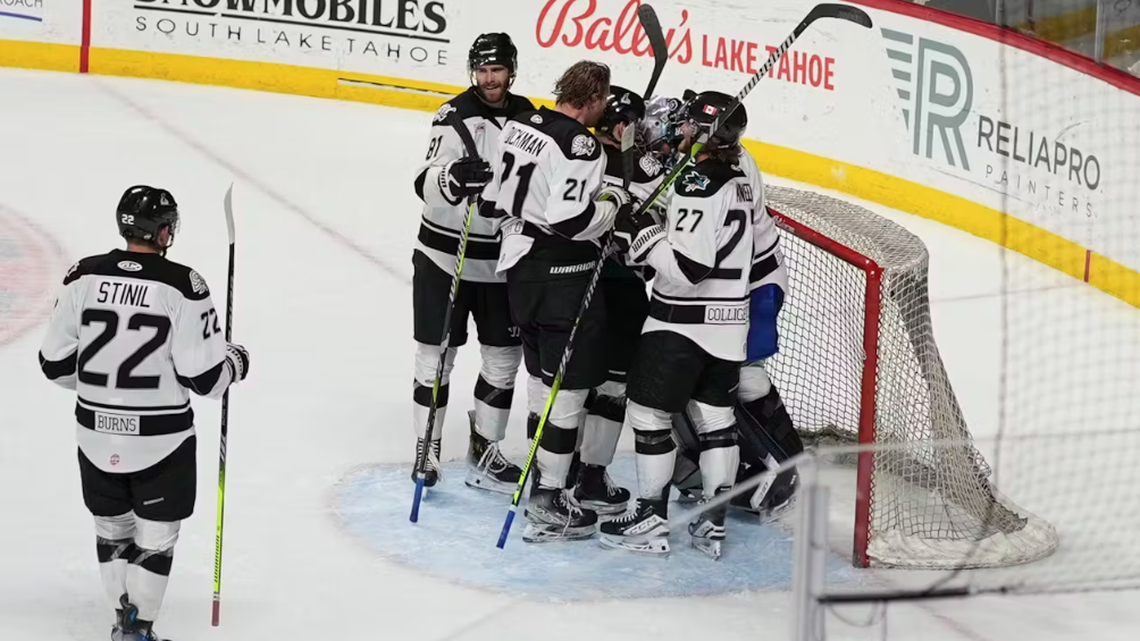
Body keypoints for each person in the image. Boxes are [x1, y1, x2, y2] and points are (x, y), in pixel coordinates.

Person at [37, 185, 250, 641]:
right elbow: (206, 379)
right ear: (165, 231)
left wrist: (105, 383)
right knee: (156, 537)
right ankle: (137, 630)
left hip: (93, 433)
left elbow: (53, 364)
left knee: (111, 527)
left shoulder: (83, 275)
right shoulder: (183, 284)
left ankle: (122, 622)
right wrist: (235, 361)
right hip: (161, 440)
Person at [599, 91, 755, 559]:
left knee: (648, 415)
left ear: (706, 132)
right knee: (716, 419)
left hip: (681, 322)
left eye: (688, 125)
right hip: (731, 322)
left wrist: (643, 238)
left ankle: (649, 517)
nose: (680, 131)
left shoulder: (697, 183)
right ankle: (714, 520)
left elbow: (687, 268)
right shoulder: (739, 179)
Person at [482, 60, 632, 542]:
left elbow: (493, 199)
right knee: (566, 392)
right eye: (603, 101)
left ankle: (543, 481)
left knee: (542, 385)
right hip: (560, 274)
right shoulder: (580, 143)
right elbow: (569, 220)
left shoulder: (520, 124)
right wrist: (611, 204)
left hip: (518, 269)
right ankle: (549, 498)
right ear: (593, 98)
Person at [411, 32, 535, 494]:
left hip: (502, 264)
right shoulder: (452, 117)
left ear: (511, 70)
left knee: (503, 361)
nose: (489, 79)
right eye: (482, 71)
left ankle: (485, 446)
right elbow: (423, 182)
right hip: (444, 257)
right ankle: (429, 446)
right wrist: (451, 178)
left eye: (497, 70)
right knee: (434, 359)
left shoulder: (529, 120)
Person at [568, 84, 666, 516]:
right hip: (622, 285)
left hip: (569, 281)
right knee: (611, 386)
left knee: (571, 380)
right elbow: (667, 219)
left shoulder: (576, 152)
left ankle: (559, 468)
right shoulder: (643, 166)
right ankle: (591, 476)